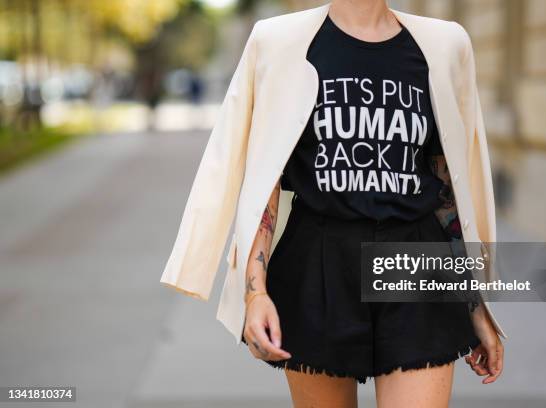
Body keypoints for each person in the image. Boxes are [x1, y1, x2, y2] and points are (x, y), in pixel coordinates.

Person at [160, 1, 507, 406]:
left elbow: (447, 180)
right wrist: (255, 293)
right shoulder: (278, 42)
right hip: (317, 264)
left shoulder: (445, 45)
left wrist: (474, 301)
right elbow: (264, 180)